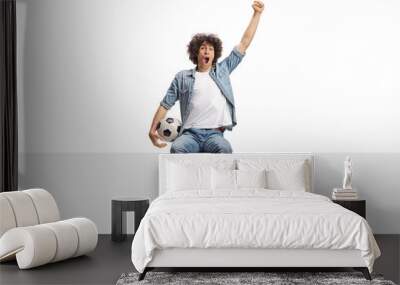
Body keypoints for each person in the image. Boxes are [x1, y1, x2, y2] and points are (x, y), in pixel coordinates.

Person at [149, 1, 265, 153]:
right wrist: (152, 130)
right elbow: (166, 104)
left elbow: (244, 43)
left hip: (215, 134)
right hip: (190, 134)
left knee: (225, 149)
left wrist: (257, 14)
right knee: (177, 148)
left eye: (210, 49)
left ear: (214, 54)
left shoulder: (223, 70)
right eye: (203, 48)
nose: (207, 51)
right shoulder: (182, 77)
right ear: (196, 53)